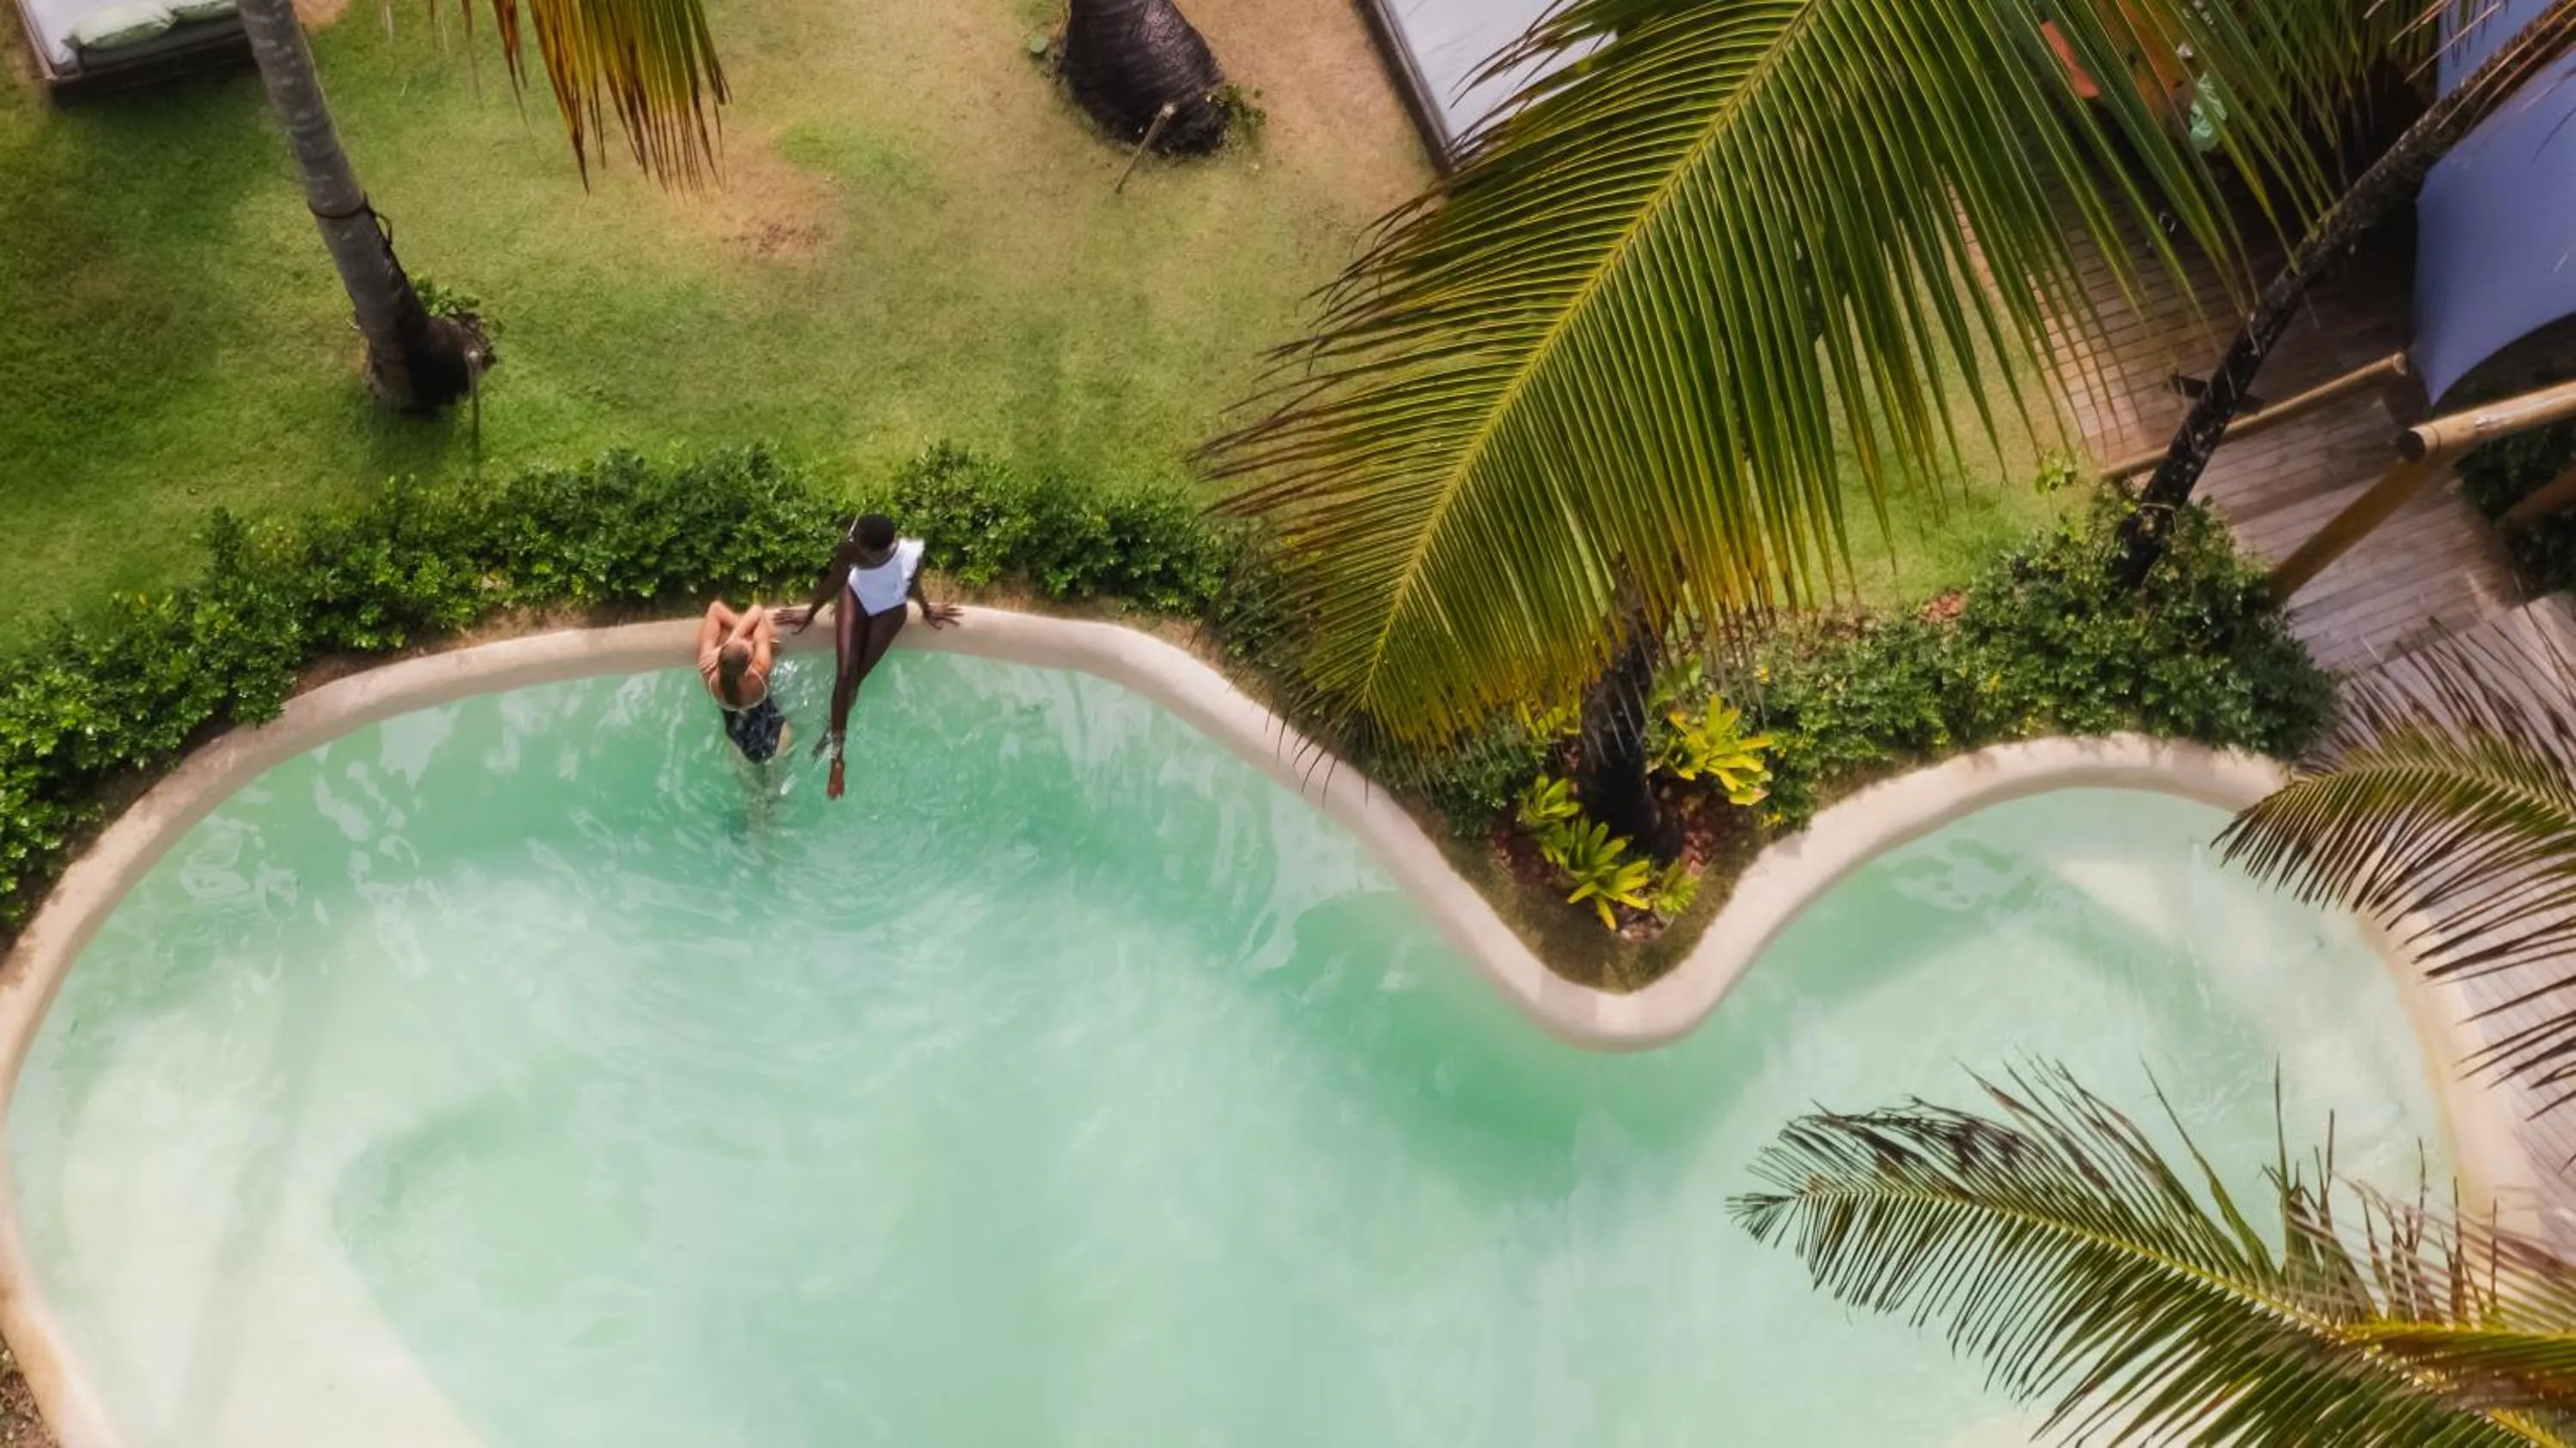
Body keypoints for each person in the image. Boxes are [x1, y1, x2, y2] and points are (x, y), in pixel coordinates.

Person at [780, 513, 961, 799]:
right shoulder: (851, 548)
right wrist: (810, 612)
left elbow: (913, 588)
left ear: (876, 549)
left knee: (856, 680)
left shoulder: (911, 555)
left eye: (859, 542)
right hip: (857, 597)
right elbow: (835, 580)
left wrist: (926, 609)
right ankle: (837, 758)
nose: (852, 542)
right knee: (844, 674)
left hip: (889, 611)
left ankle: (831, 732)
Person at [696, 599, 791, 764]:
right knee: (777, 780)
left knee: (750, 787)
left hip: (736, 737)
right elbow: (756, 611)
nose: (747, 642)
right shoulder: (760, 670)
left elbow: (714, 609)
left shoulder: (709, 674)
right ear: (749, 664)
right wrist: (743, 639)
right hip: (775, 729)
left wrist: (725, 647)